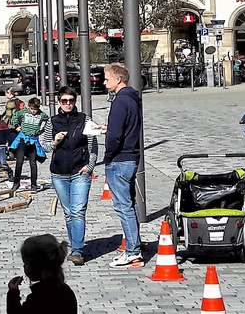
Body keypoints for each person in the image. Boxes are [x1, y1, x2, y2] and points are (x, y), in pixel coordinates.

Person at [101, 63, 144, 266]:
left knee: (123, 206)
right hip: (131, 157)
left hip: (119, 159)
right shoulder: (133, 99)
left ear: (118, 79)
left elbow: (116, 136)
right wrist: (108, 129)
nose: (104, 81)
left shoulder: (120, 101)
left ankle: (133, 250)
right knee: (130, 205)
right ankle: (134, 245)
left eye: (107, 78)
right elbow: (125, 128)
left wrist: (108, 153)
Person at [48, 90, 95, 264]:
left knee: (78, 212)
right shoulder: (52, 121)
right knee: (68, 213)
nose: (68, 104)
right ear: (59, 102)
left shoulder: (85, 120)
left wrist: (89, 166)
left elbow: (93, 146)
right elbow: (45, 147)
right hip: (59, 174)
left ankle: (77, 250)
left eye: (71, 100)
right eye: (64, 101)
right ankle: (75, 244)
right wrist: (55, 142)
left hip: (79, 172)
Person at [8, 96, 49, 192]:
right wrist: (16, 126)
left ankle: (33, 185)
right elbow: (15, 116)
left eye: (35, 109)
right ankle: (16, 183)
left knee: (33, 164)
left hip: (33, 141)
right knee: (19, 162)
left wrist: (42, 130)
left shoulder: (41, 115)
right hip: (23, 139)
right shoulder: (24, 112)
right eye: (32, 109)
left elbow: (49, 120)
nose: (33, 111)